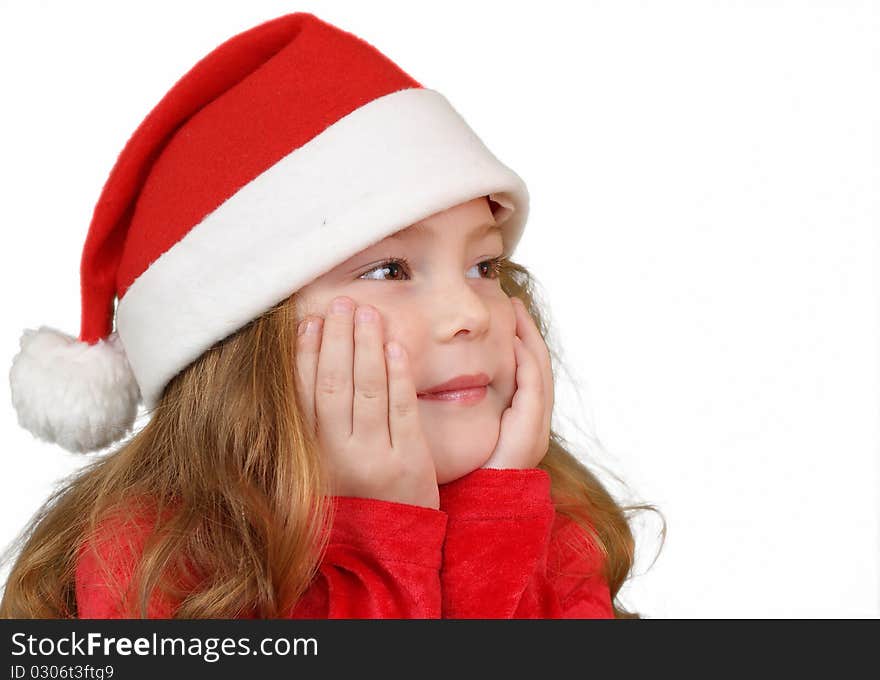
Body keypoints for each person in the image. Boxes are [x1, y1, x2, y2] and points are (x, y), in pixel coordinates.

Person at [1, 12, 658, 619]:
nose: (469, 314)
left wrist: (492, 526)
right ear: (247, 341)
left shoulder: (552, 530)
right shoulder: (150, 560)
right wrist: (382, 543)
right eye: (390, 270)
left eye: (483, 267)